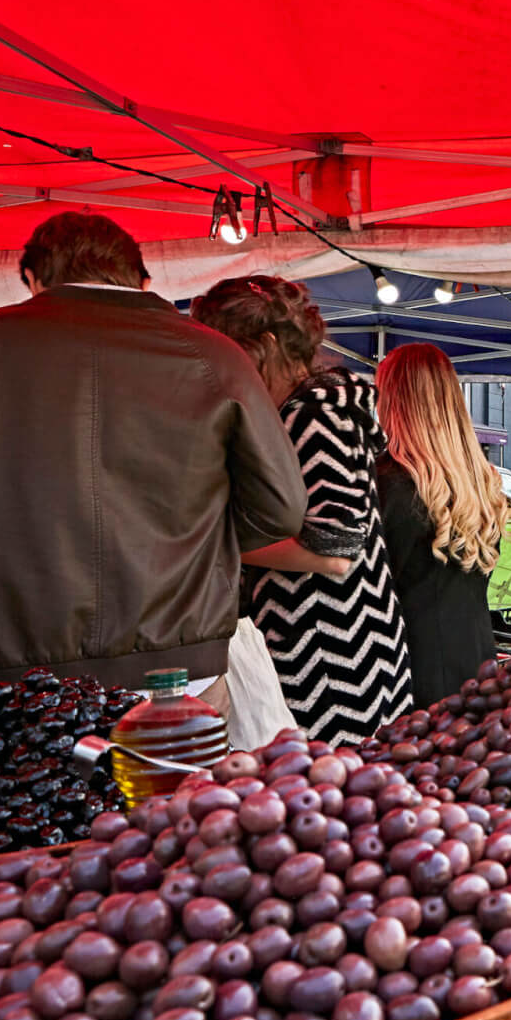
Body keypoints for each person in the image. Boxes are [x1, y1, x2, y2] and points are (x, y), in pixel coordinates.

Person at [0, 212, 308, 706]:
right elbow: (279, 510)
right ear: (143, 282)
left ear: (32, 278)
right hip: (177, 664)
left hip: (14, 668)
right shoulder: (215, 355)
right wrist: (192, 549)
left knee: (26, 763)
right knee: (181, 762)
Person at [193, 276, 415, 743]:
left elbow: (333, 550)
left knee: (327, 781)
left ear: (265, 346)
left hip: (330, 657)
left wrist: (212, 546)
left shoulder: (314, 414)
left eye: (227, 352)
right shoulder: (312, 410)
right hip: (344, 649)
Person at [373, 344, 509, 708]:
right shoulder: (481, 482)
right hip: (479, 664)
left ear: (392, 400)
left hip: (411, 676)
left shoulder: (387, 482)